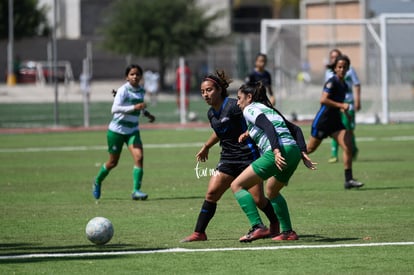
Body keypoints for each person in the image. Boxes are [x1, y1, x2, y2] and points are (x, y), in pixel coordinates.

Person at [180, 71, 280, 242]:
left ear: (219, 90)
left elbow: (257, 119)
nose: (205, 95)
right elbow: (220, 131)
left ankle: (273, 226)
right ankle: (199, 233)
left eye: (209, 90)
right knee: (211, 194)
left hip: (249, 156)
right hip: (227, 158)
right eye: (203, 91)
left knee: (258, 199)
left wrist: (252, 134)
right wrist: (206, 146)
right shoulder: (211, 113)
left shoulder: (235, 106)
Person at [231, 82, 316, 242]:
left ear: (249, 97)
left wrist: (276, 150)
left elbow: (268, 126)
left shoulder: (249, 109)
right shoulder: (269, 109)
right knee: (272, 191)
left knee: (237, 185)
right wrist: (303, 152)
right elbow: (295, 129)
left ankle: (258, 227)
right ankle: (288, 232)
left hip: (278, 151)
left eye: (239, 98)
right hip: (293, 152)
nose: (237, 102)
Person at [92, 64, 156, 200]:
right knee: (113, 162)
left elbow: (140, 107)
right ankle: (97, 181)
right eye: (132, 74)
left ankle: (136, 191)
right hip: (116, 131)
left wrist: (147, 114)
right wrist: (134, 107)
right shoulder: (123, 90)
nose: (135, 76)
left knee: (139, 157)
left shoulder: (141, 90)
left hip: (132, 131)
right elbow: (114, 109)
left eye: (137, 74)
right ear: (127, 77)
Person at [307, 55, 363, 189]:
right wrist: (341, 106)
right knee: (309, 149)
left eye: (345, 67)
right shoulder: (331, 82)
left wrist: (346, 114)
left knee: (348, 146)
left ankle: (348, 180)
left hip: (335, 122)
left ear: (348, 68)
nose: (342, 69)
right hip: (323, 121)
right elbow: (323, 100)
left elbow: (340, 104)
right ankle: (281, 162)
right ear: (335, 68)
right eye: (339, 67)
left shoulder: (344, 84)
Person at [325, 49, 361, 163]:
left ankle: (352, 149)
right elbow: (326, 91)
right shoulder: (328, 73)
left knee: (348, 129)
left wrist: (357, 100)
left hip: (348, 103)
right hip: (335, 105)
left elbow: (357, 84)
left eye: (336, 56)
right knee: (337, 128)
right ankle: (334, 154)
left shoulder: (349, 71)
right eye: (332, 57)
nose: (334, 59)